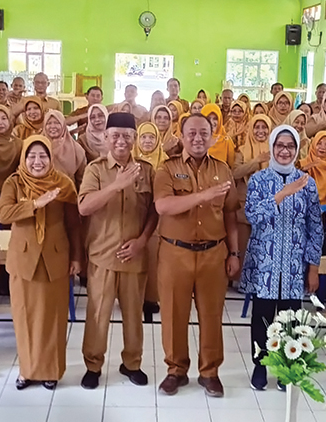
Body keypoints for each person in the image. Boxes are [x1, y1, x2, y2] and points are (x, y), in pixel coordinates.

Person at [153, 113, 241, 397]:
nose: (198, 138)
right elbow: (163, 206)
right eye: (191, 132)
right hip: (175, 252)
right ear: (181, 135)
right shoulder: (166, 169)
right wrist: (203, 196)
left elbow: (230, 213)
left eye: (204, 133)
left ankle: (209, 372)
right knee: (173, 314)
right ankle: (176, 370)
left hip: (213, 253)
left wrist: (234, 253)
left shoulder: (223, 170)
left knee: (212, 315)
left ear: (213, 136)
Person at [77, 113, 158, 390]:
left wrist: (142, 240)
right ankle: (93, 365)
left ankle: (132, 363)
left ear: (135, 139)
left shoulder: (146, 170)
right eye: (115, 135)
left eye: (127, 135)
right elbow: (84, 207)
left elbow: (153, 213)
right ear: (106, 137)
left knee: (134, 315)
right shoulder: (95, 170)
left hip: (135, 256)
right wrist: (116, 185)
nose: (121, 140)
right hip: (102, 256)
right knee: (98, 314)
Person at [0, 135, 82, 391]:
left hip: (55, 258)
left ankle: (51, 371)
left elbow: (74, 225)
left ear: (51, 157)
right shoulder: (15, 182)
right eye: (31, 156)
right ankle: (27, 370)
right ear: (23, 158)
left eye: (43, 155)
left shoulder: (63, 184)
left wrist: (77, 257)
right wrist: (34, 204)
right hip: (23, 259)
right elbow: (2, 213)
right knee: (24, 316)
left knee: (53, 318)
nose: (37, 161)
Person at [242, 125, 323, 391]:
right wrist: (282, 195)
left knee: (291, 318)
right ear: (272, 148)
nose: (285, 151)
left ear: (297, 149)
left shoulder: (308, 182)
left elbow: (315, 226)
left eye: (290, 146)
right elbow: (252, 216)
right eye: (280, 145)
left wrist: (313, 266)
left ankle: (287, 368)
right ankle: (260, 365)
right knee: (263, 317)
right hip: (264, 261)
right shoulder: (258, 180)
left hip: (294, 264)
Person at [134, 122, 168, 321]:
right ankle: (132, 298)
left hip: (158, 219)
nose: (147, 141)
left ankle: (151, 298)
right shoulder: (129, 161)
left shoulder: (165, 163)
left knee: (154, 260)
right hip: (134, 217)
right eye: (143, 137)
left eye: (151, 138)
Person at [233, 115, 274, 274]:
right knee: (244, 243)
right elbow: (235, 173)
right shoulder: (242, 150)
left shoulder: (275, 150)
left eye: (264, 127)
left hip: (269, 204)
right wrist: (256, 161)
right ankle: (241, 279)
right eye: (257, 127)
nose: (260, 131)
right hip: (245, 205)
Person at [42, 110, 86, 185]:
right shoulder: (38, 145)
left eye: (57, 123)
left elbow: (81, 179)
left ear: (63, 125)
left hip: (69, 192)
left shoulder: (76, 149)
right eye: (49, 123)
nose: (53, 126)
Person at [301, 130, 326, 204]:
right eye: (319, 143)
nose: (322, 147)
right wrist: (304, 169)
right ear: (313, 144)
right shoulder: (301, 164)